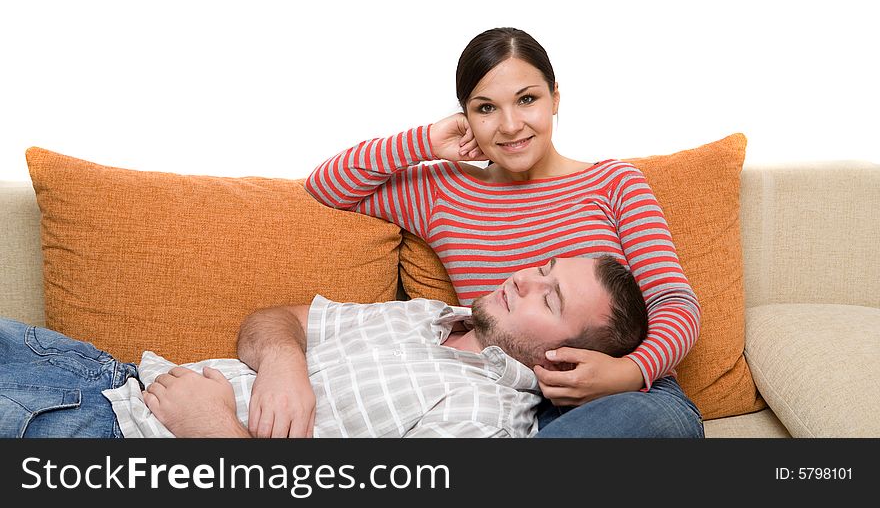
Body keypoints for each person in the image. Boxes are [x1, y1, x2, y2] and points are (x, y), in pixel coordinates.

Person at [302, 27, 704, 438]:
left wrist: (628, 371)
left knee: (656, 424)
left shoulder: (613, 182)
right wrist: (423, 141)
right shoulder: (446, 191)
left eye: (527, 99)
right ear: (465, 116)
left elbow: (673, 301)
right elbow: (327, 185)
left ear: (555, 99)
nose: (510, 125)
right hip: (507, 401)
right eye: (486, 108)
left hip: (629, 394)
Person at [0, 255, 647, 438]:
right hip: (97, 370)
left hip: (111, 436)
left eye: (550, 298)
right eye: (544, 267)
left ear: (564, 359)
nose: (525, 278)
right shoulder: (429, 313)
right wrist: (284, 359)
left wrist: (213, 431)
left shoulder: (482, 422)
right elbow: (271, 318)